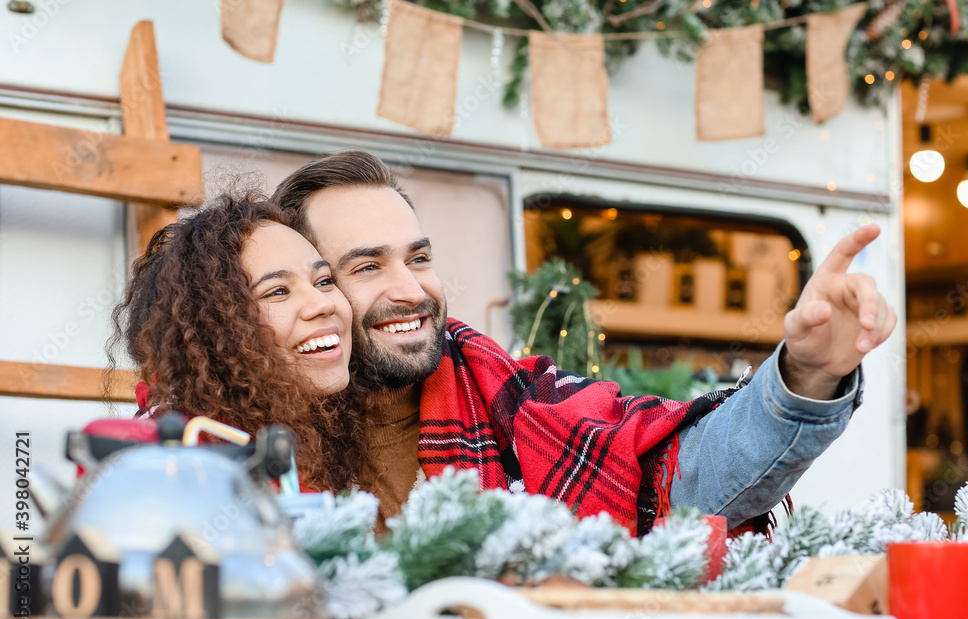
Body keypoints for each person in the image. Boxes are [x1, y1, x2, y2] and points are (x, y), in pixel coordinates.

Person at [271, 151, 897, 536]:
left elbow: (687, 472)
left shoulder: (521, 401)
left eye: (419, 257)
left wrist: (807, 373)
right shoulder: (228, 433)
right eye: (366, 267)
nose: (411, 289)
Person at [108, 193, 372, 493]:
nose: (322, 304)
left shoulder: (327, 433)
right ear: (215, 330)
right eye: (277, 292)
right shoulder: (182, 460)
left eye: (324, 281)